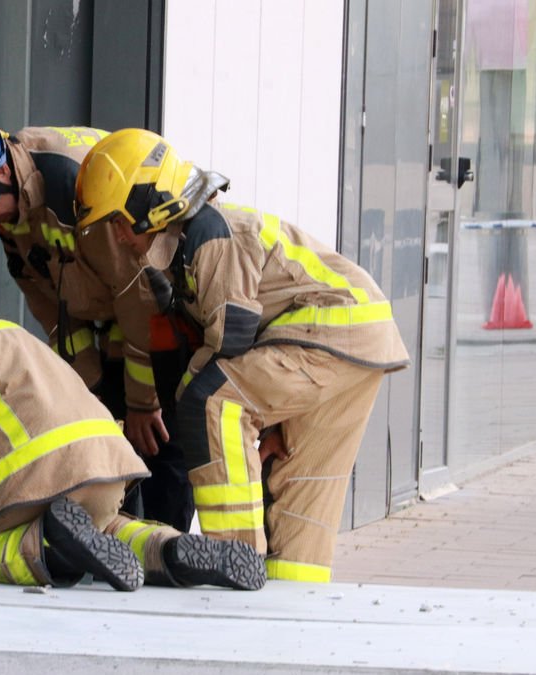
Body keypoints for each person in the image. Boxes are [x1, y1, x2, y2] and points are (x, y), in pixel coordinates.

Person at [73, 129, 411, 583]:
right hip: (360, 338)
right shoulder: (187, 245)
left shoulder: (211, 237)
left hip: (335, 329)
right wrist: (271, 422)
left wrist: (203, 401)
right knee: (297, 490)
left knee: (211, 402)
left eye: (117, 220)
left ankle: (233, 560)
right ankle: (289, 611)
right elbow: (255, 351)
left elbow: (231, 343)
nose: (116, 236)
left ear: (149, 203)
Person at [0, 258, 265, 591]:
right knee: (106, 526)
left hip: (30, 467)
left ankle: (49, 547)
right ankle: (170, 550)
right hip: (104, 459)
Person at [0, 119, 193, 531]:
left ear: (3, 172)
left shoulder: (70, 184)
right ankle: (125, 540)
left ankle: (167, 551)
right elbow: (50, 305)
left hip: (159, 314)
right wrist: (89, 391)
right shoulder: (15, 207)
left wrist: (142, 403)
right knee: (107, 432)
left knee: (160, 436)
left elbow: (139, 297)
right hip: (114, 315)